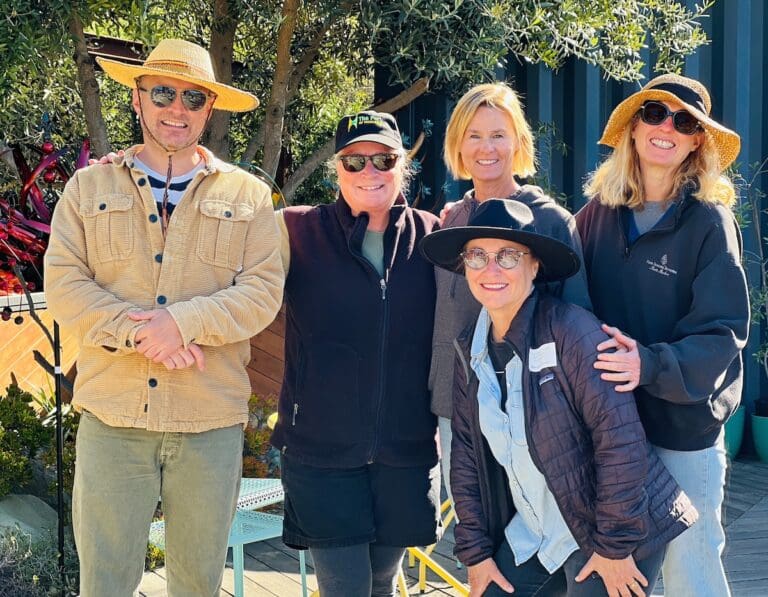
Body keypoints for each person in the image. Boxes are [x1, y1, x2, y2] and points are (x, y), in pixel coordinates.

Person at [44, 39, 284, 596]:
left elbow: (261, 292)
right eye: (163, 93)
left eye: (193, 98)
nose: (177, 108)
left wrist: (183, 323)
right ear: (137, 98)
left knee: (199, 585)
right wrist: (141, 333)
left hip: (208, 424)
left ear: (209, 107)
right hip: (112, 421)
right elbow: (64, 286)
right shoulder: (88, 187)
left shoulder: (249, 197)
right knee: (103, 583)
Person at [420, 198, 698, 597]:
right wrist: (477, 554)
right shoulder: (471, 349)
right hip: (540, 531)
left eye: (508, 256)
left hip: (616, 528)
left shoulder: (572, 332)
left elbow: (620, 441)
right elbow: (465, 459)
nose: (491, 269)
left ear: (534, 266)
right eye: (477, 255)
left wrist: (616, 546)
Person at [576, 73, 750, 597]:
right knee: (617, 576)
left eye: (685, 121)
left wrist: (645, 365)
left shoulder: (709, 224)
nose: (666, 128)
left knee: (689, 573)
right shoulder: (595, 217)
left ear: (698, 140)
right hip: (612, 433)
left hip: (683, 433)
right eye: (654, 113)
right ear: (632, 128)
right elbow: (547, 269)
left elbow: (721, 335)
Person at [269, 111, 442, 596]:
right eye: (354, 161)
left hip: (404, 452)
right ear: (337, 168)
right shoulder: (295, 231)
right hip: (321, 452)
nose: (370, 172)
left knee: (382, 582)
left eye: (383, 159)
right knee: (345, 589)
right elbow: (220, 249)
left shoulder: (432, 235)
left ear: (402, 166)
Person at [431, 82, 591, 505]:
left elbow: (579, 322)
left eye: (499, 134)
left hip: (536, 413)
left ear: (518, 142)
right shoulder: (451, 223)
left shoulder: (552, 223)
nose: (487, 148)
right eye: (474, 135)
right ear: (458, 145)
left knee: (542, 539)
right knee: (477, 541)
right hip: (459, 410)